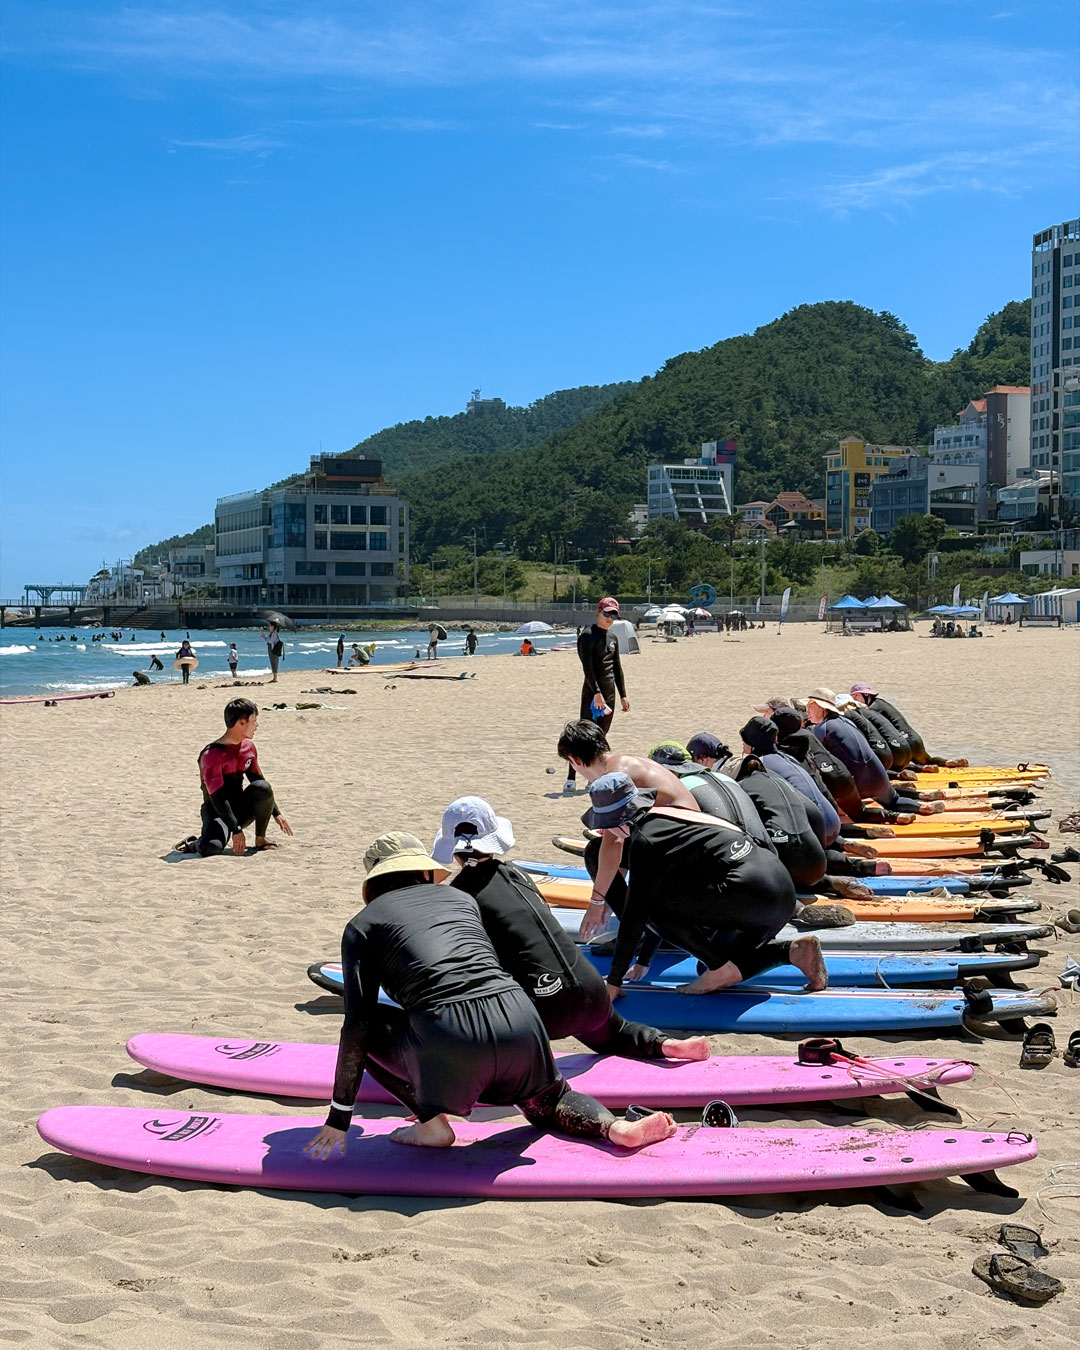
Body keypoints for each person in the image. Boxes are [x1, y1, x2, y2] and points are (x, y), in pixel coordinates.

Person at [304, 832, 677, 1159]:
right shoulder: (460, 900)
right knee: (551, 1100)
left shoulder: (362, 925)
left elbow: (357, 1024)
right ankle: (615, 1127)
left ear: (373, 882)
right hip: (520, 1017)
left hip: (451, 1034)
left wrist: (340, 1117)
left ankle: (432, 1124)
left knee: (371, 1029)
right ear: (423, 872)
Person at [432, 797, 707, 1059]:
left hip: (543, 1007)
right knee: (616, 1032)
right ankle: (665, 1044)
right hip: (590, 987)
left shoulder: (460, 896)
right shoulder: (517, 874)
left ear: (454, 851)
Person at [583, 773, 824, 997]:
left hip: (750, 894)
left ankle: (720, 968)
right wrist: (643, 960)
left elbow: (637, 914)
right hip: (780, 891)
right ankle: (791, 952)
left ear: (617, 821)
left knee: (712, 961)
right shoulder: (670, 817)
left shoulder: (646, 840)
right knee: (708, 965)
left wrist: (614, 982)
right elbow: (658, 901)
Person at [557, 720, 698, 940]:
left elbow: (614, 845)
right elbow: (622, 850)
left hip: (683, 857)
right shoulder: (622, 763)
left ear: (575, 760)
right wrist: (610, 898)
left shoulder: (614, 778)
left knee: (595, 851)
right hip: (687, 846)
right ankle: (640, 926)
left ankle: (640, 932)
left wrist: (597, 902)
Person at [189, 698, 293, 857]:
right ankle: (194, 843)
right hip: (218, 813)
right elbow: (217, 798)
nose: (257, 725)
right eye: (254, 721)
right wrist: (236, 831)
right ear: (241, 723)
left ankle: (260, 839)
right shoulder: (211, 755)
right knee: (211, 848)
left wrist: (276, 813)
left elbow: (259, 782)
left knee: (262, 787)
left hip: (240, 809)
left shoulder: (248, 748)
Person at [806, 688, 935, 815]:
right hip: (878, 775)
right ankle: (921, 807)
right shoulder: (847, 722)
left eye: (810, 707)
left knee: (824, 776)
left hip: (858, 784)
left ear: (821, 708)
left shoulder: (821, 729)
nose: (807, 712)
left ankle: (892, 816)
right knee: (894, 801)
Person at [564, 598, 630, 796]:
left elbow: (617, 668)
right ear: (598, 611)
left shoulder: (612, 637)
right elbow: (588, 668)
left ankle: (592, 775)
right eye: (606, 613)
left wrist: (623, 695)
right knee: (583, 736)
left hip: (609, 694)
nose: (609, 618)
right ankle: (570, 778)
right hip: (593, 694)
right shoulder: (587, 635)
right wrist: (596, 693)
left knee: (601, 736)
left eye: (613, 615)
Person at [849, 683, 968, 769]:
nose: (854, 700)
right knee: (927, 760)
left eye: (855, 697)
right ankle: (947, 762)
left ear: (861, 695)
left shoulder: (871, 709)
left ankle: (918, 769)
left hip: (903, 743)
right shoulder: (882, 703)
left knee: (895, 763)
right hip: (915, 739)